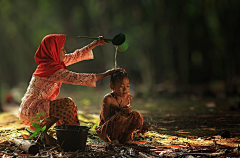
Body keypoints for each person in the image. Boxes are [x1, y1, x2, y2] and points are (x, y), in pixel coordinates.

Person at [18, 34, 123, 145]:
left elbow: (75, 56)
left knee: (67, 106)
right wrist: (106, 74)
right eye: (62, 49)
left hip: (33, 108)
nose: (65, 52)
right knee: (66, 104)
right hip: (31, 110)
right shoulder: (52, 69)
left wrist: (95, 44)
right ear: (53, 52)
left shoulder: (52, 63)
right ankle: (41, 132)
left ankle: (60, 135)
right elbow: (77, 78)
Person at [96, 71, 147, 144]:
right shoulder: (108, 99)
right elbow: (105, 119)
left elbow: (128, 117)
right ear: (112, 87)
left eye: (128, 86)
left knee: (136, 115)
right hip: (107, 129)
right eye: (121, 86)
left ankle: (125, 138)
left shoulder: (129, 97)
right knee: (120, 118)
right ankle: (113, 139)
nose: (125, 89)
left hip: (122, 127)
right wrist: (120, 113)